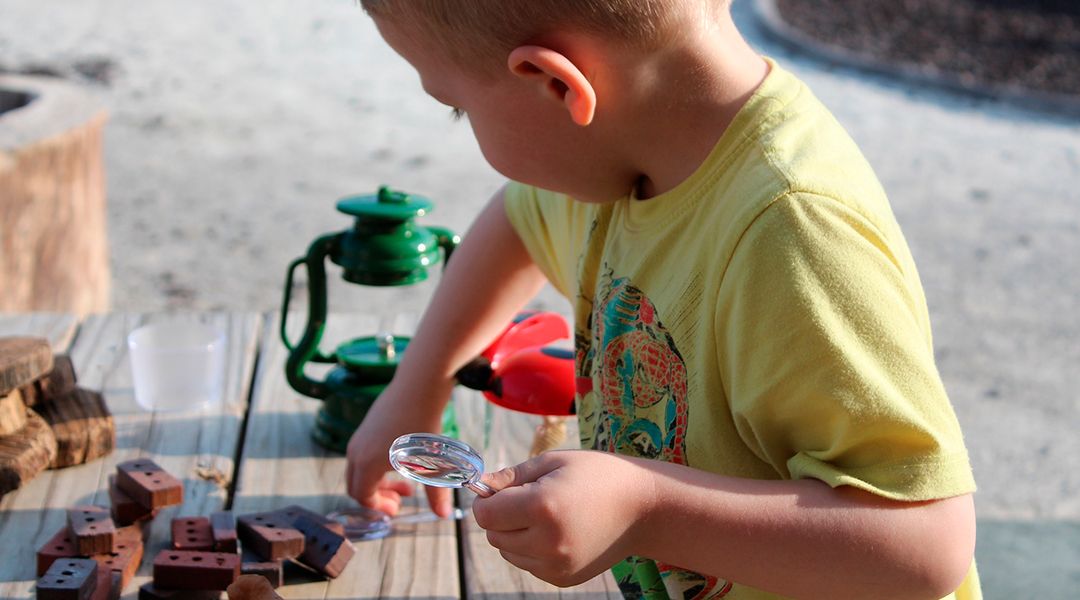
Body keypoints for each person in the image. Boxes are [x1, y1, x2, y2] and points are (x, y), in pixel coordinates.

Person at [344, 1, 980, 598]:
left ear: (556, 84)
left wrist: (648, 509)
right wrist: (418, 387)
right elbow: (516, 222)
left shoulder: (791, 232)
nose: (465, 126)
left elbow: (925, 545)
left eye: (456, 106)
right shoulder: (626, 152)